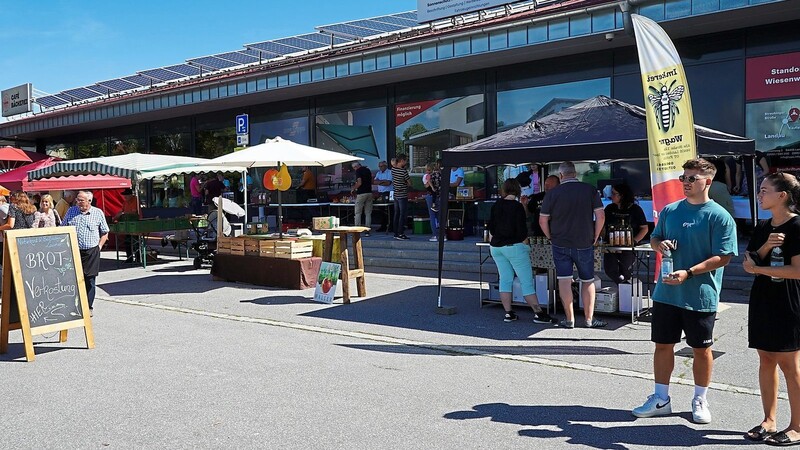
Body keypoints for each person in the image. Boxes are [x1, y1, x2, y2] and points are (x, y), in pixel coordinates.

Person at [632, 158, 737, 425]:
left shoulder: (719, 216)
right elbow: (655, 237)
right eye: (684, 177)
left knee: (701, 350)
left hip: (700, 294)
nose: (686, 183)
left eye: (692, 178)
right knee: (663, 345)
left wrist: (688, 273)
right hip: (666, 292)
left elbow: (723, 257)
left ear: (708, 182)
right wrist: (659, 244)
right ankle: (660, 398)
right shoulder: (670, 210)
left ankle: (700, 398)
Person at [741, 172, 800, 445]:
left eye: (765, 190)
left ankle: (797, 426)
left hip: (789, 299)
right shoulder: (763, 225)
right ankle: (769, 419)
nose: (760, 194)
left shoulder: (798, 226)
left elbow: (798, 272)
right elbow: (748, 262)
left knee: (790, 364)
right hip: (764, 298)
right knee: (766, 359)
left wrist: (759, 269)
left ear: (782, 196)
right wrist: (767, 245)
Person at [539, 161, 606, 329]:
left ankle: (570, 320)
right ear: (575, 173)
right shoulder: (589, 190)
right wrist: (595, 235)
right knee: (588, 280)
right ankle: (589, 319)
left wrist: (550, 237)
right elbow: (601, 216)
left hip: (560, 242)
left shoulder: (552, 194)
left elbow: (542, 220)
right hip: (584, 241)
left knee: (564, 280)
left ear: (561, 176)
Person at [489, 178, 556, 325]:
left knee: (505, 280)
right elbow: (522, 231)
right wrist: (525, 244)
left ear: (504, 190)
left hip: (496, 247)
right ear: (517, 191)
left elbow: (492, 228)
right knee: (526, 282)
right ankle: (538, 313)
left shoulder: (496, 205)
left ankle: (508, 313)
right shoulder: (517, 207)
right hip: (515, 247)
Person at [62, 191, 109, 316]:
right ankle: (76, 305)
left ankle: (88, 307)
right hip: (74, 250)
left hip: (91, 251)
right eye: (77, 200)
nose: (78, 202)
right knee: (74, 280)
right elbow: (63, 228)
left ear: (89, 201)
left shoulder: (98, 213)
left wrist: (99, 246)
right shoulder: (71, 211)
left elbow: (105, 232)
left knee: (90, 280)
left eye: (81, 200)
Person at [602, 183, 649, 284]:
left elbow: (644, 228)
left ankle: (624, 292)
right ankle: (623, 286)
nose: (611, 196)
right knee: (609, 270)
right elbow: (603, 226)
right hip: (611, 245)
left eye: (614, 194)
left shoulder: (635, 209)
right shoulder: (609, 208)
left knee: (626, 270)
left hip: (628, 246)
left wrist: (635, 240)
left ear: (622, 195)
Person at [113, 188, 140, 263]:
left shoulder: (136, 201)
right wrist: (116, 217)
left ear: (130, 195)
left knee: (136, 242)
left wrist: (124, 214)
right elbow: (122, 211)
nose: (125, 197)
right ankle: (129, 258)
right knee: (127, 241)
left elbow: (135, 213)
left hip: (135, 224)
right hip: (127, 224)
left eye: (126, 196)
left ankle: (138, 258)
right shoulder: (125, 202)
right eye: (124, 196)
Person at [391, 154, 411, 240]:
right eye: (405, 160)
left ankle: (395, 232)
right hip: (402, 194)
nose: (406, 162)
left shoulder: (393, 169)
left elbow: (393, 163)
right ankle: (400, 233)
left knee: (396, 214)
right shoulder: (403, 171)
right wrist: (405, 183)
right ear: (402, 161)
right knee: (402, 214)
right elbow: (410, 182)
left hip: (396, 194)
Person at [350, 161, 373, 236]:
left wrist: (353, 188)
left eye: (354, 168)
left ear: (356, 167)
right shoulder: (367, 170)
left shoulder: (358, 171)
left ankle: (357, 230)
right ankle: (367, 230)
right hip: (369, 193)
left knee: (358, 212)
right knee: (368, 213)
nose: (354, 169)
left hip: (361, 193)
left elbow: (359, 182)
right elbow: (372, 181)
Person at [425, 162, 443, 242]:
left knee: (432, 216)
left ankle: (435, 235)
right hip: (440, 196)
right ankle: (443, 235)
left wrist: (432, 187)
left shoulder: (429, 176)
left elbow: (426, 184)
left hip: (431, 196)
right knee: (440, 216)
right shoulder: (440, 175)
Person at [373, 161, 392, 231]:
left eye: (381, 166)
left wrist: (379, 182)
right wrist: (383, 181)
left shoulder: (390, 172)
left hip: (388, 192)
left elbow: (388, 183)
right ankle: (383, 226)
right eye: (379, 166)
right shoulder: (378, 173)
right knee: (381, 210)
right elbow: (374, 182)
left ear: (385, 166)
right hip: (380, 193)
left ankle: (390, 225)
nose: (380, 168)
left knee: (389, 210)